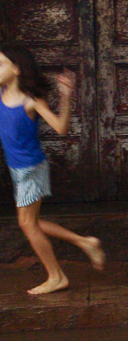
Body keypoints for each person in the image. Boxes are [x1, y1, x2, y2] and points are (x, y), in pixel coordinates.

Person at [0, 46, 105, 295]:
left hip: (31, 168)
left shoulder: (30, 100)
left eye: (0, 63)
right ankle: (85, 242)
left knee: (27, 224)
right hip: (16, 168)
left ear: (16, 69)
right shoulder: (2, 93)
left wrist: (66, 98)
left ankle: (56, 276)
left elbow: (60, 128)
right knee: (32, 222)